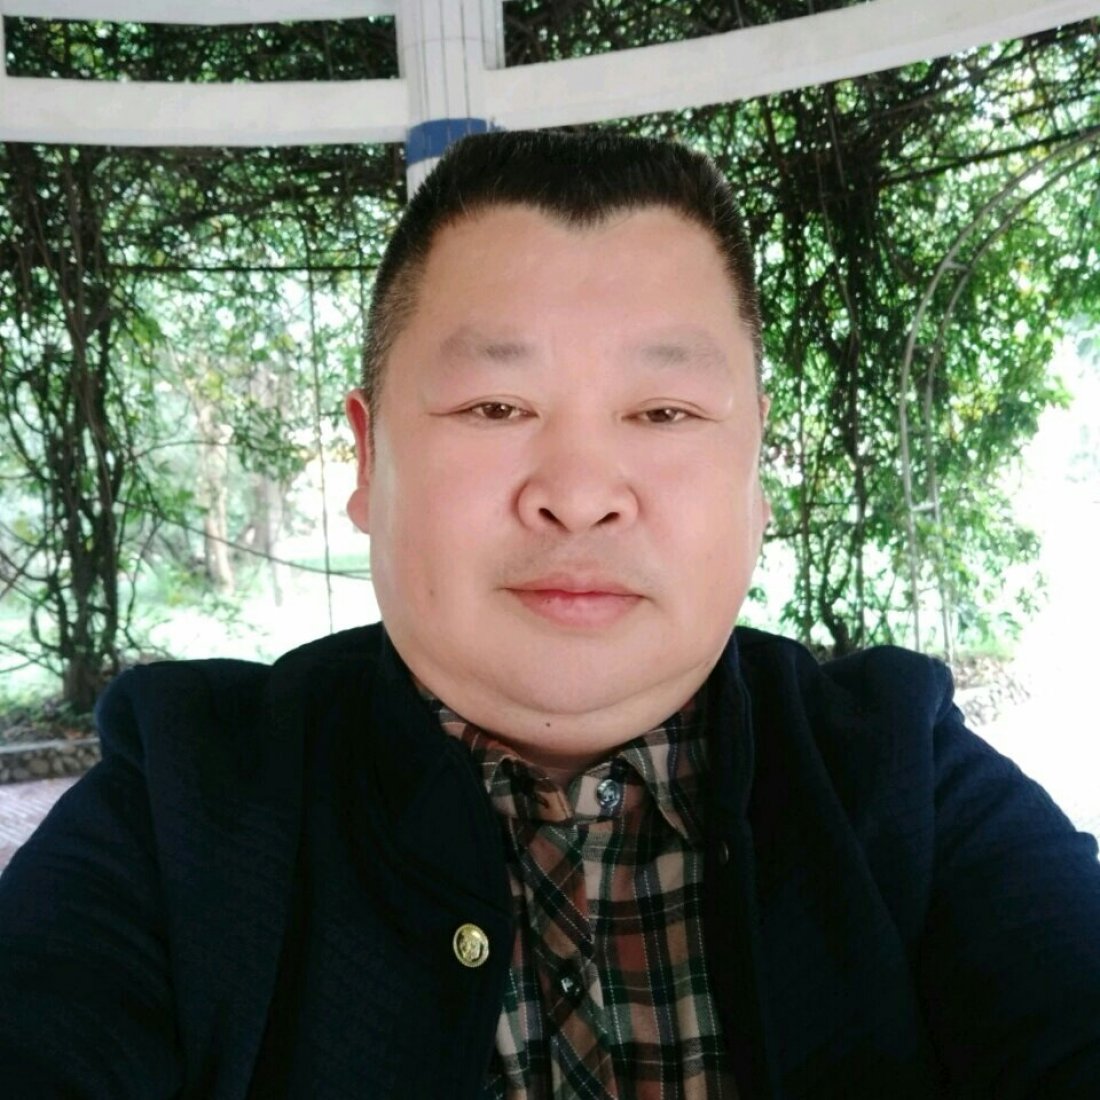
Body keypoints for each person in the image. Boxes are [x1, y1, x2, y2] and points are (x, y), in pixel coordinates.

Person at [1, 129, 1099, 1099]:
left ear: (754, 464)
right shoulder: (185, 804)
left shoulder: (900, 773)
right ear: (369, 457)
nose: (578, 491)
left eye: (663, 410)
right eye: (495, 405)